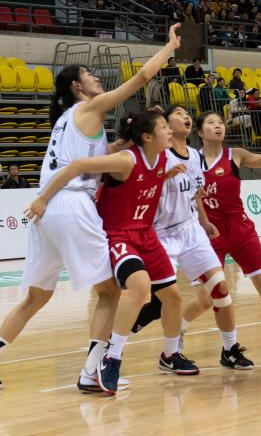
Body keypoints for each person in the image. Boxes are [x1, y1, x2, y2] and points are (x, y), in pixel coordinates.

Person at [0, 24, 181, 393]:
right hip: (70, 203)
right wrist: (169, 47)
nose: (96, 78)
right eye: (89, 74)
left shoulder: (68, 121)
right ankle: (91, 372)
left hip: (49, 211)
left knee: (36, 296)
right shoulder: (90, 106)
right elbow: (142, 77)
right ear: (77, 87)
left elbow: (99, 156)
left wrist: (125, 142)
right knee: (109, 292)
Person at [28, 110, 197, 394]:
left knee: (173, 297)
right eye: (164, 127)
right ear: (147, 136)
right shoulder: (125, 160)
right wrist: (43, 197)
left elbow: (146, 181)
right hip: (118, 234)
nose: (170, 131)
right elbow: (77, 164)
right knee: (140, 288)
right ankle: (112, 357)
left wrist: (166, 175)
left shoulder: (162, 158)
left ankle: (170, 355)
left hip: (146, 234)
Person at [130, 106, 253, 371]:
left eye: (187, 114)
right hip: (161, 232)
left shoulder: (196, 156)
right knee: (161, 299)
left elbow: (195, 194)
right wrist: (163, 176)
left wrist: (205, 222)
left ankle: (229, 350)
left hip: (190, 229)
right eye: (178, 114)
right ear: (165, 124)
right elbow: (139, 186)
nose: (185, 116)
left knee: (220, 288)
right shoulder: (158, 154)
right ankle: (132, 339)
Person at [197, 114, 261, 355]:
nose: (218, 126)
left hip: (240, 228)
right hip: (209, 232)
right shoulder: (191, 160)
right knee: (207, 297)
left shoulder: (235, 154)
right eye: (211, 123)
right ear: (200, 132)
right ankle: (178, 337)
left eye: (220, 123)